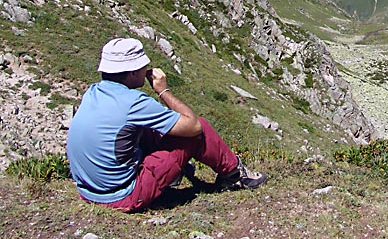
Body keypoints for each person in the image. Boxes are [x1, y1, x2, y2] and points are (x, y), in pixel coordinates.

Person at [66, 37, 266, 212]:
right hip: (122, 195)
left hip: (89, 191)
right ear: (131, 73)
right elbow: (194, 126)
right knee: (199, 131)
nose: (147, 69)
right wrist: (163, 91)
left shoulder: (93, 92)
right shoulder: (133, 103)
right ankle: (235, 175)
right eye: (143, 65)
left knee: (144, 129)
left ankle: (175, 171)